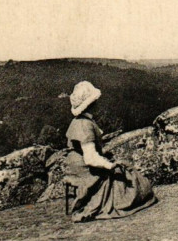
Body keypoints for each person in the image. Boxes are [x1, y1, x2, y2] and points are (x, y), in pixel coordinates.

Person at [64, 81, 157, 222]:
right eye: (96, 101)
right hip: (85, 169)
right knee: (128, 179)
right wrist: (109, 165)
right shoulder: (85, 125)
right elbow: (90, 158)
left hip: (74, 165)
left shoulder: (78, 121)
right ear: (91, 104)